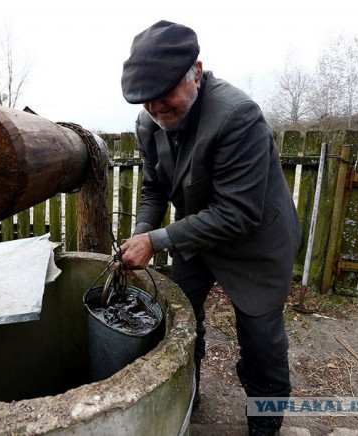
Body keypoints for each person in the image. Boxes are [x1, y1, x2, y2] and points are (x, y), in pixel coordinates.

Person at [119, 20, 301, 436]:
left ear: (196, 73)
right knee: (183, 321)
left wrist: (156, 241)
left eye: (165, 98)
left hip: (255, 241)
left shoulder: (239, 117)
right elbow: (154, 187)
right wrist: (142, 230)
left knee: (260, 343)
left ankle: (265, 421)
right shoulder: (149, 123)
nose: (156, 110)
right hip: (196, 238)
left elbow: (237, 212)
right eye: (146, 102)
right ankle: (191, 391)